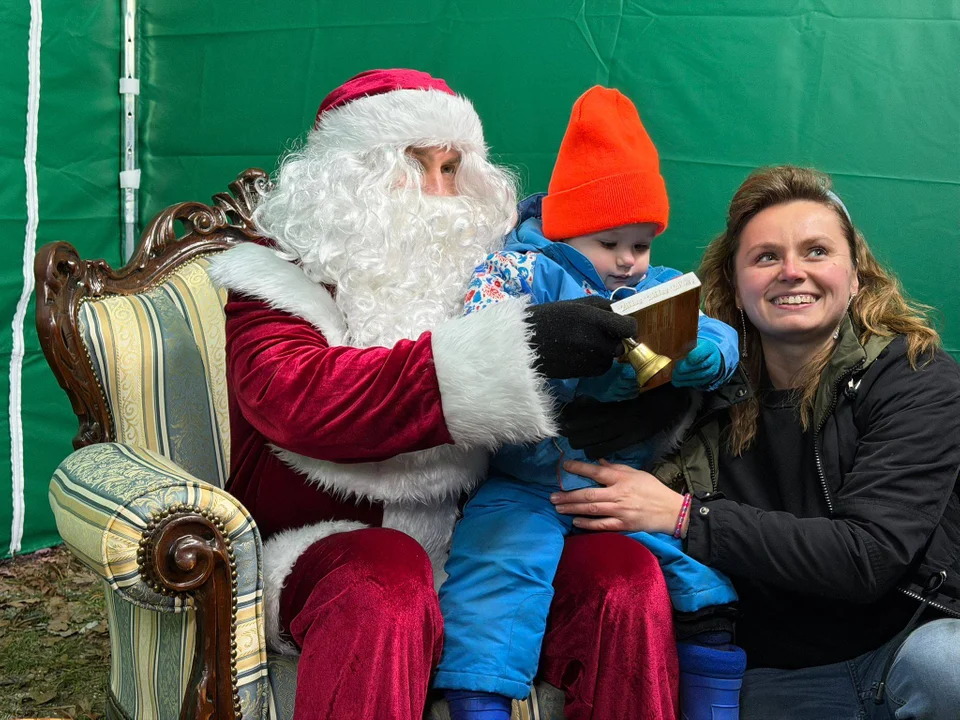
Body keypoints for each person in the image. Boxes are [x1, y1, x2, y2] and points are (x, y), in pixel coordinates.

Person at [209, 68, 679, 720]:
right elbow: (298, 399)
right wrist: (509, 351)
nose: (438, 192)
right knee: (386, 578)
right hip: (329, 548)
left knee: (621, 577)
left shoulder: (498, 272)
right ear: (347, 176)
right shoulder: (277, 278)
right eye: (412, 164)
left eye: (452, 168)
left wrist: (643, 404)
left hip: (490, 540)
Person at [554, 165, 960, 720]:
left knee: (949, 663)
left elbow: (868, 557)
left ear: (856, 277)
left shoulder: (915, 377)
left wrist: (684, 516)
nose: (792, 272)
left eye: (816, 251)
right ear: (735, 287)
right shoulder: (695, 388)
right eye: (766, 257)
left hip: (898, 654)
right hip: (764, 677)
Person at [436, 86, 745, 720]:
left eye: (642, 244)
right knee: (494, 576)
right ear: (567, 229)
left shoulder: (657, 285)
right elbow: (481, 350)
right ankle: (478, 702)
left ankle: (714, 703)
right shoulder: (516, 272)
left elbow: (716, 331)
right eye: (610, 243)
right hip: (525, 483)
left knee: (704, 585)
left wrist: (707, 354)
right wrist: (574, 379)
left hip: (622, 485)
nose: (629, 261)